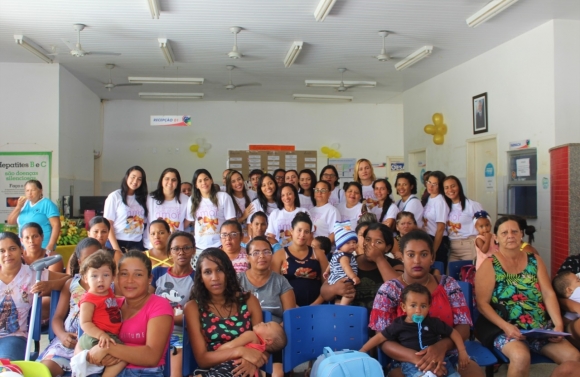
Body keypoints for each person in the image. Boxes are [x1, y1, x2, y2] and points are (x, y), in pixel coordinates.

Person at [475, 216, 580, 377]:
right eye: (504, 233)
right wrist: (506, 327)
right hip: (506, 329)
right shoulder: (489, 265)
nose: (510, 235)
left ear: (521, 234)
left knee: (574, 358)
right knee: (521, 357)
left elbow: (548, 293)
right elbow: (482, 304)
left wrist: (558, 325)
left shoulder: (534, 260)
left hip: (539, 329)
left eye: (514, 231)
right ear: (495, 238)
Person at [370, 229, 483, 377]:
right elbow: (383, 340)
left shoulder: (448, 285)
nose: (417, 261)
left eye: (423, 254)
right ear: (402, 257)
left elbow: (463, 327)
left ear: (432, 257)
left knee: (474, 372)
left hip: (448, 353)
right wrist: (418, 358)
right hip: (405, 359)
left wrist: (441, 347)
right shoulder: (389, 290)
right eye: (411, 255)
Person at [86, 251, 174, 377]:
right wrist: (89, 357)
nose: (130, 280)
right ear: (116, 277)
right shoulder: (110, 304)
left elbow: (151, 357)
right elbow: (87, 337)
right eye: (124, 274)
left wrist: (108, 348)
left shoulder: (159, 305)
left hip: (144, 373)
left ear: (149, 278)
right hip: (104, 370)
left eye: (138, 274)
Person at [183, 248, 267, 377]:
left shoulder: (249, 301)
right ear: (200, 278)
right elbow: (203, 359)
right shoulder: (193, 308)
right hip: (212, 371)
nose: (215, 278)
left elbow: (263, 344)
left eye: (220, 270)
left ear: (228, 272)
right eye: (207, 272)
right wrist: (241, 351)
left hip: (246, 369)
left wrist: (251, 362)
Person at [361, 283, 469, 377]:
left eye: (423, 306)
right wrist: (363, 350)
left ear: (429, 306)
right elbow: (380, 337)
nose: (418, 311)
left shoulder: (434, 323)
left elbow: (453, 333)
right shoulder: (399, 325)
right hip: (411, 363)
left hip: (438, 360)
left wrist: (462, 351)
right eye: (413, 305)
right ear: (404, 307)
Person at [39, 237, 103, 377]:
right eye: (87, 259)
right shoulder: (71, 283)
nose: (93, 263)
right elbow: (57, 317)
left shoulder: (110, 286)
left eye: (97, 258)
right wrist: (62, 336)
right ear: (80, 262)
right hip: (67, 341)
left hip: (94, 343)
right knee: (45, 369)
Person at [0, 232, 66, 360]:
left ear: (21, 250)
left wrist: (50, 285)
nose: (7, 254)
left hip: (14, 337)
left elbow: (71, 279)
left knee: (5, 368)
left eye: (12, 249)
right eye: (1, 251)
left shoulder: (33, 274)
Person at [238, 236, 296, 377]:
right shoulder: (237, 281)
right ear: (248, 257)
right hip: (243, 338)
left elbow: (289, 317)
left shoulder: (281, 282)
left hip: (272, 341)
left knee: (277, 372)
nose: (262, 256)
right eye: (256, 252)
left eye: (266, 252)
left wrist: (266, 343)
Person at [321, 223, 400, 315]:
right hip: (350, 321)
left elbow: (398, 290)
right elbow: (324, 293)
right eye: (368, 240)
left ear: (387, 247)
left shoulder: (395, 265)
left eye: (378, 242)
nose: (372, 245)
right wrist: (334, 289)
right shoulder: (349, 261)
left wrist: (379, 259)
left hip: (383, 324)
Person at [152, 231, 196, 377]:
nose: (181, 252)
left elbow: (193, 316)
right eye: (176, 248)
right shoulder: (157, 273)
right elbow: (146, 303)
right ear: (170, 252)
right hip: (153, 328)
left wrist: (163, 318)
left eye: (186, 248)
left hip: (179, 330)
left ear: (193, 250)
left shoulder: (197, 278)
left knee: (176, 342)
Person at [77, 250, 125, 377]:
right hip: (95, 337)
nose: (100, 280)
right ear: (85, 278)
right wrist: (101, 335)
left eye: (105, 275)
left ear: (113, 277)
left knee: (120, 356)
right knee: (124, 356)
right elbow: (85, 323)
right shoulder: (89, 299)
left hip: (107, 336)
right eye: (94, 276)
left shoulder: (108, 292)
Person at [271, 212, 328, 306]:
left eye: (306, 232)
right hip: (289, 307)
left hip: (317, 307)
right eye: (299, 230)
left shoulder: (318, 254)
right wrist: (292, 305)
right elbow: (275, 286)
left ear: (310, 234)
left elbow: (327, 284)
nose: (302, 235)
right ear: (292, 231)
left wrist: (315, 305)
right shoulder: (280, 255)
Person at [21, 222, 64, 324]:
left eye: (35, 236)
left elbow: (49, 286)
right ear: (21, 240)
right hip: (20, 293)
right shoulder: (17, 258)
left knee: (44, 301)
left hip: (43, 295)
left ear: (42, 237)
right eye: (27, 238)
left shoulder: (53, 258)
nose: (31, 241)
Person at [186, 169, 236, 258]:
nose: (204, 183)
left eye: (206, 179)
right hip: (199, 246)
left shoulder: (223, 197)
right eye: (200, 181)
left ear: (211, 180)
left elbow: (231, 222)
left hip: (220, 245)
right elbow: (190, 221)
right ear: (196, 185)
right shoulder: (192, 200)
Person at [103, 166, 148, 252]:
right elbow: (108, 224)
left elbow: (145, 222)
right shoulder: (115, 196)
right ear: (127, 177)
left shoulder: (143, 199)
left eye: (139, 179)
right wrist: (116, 248)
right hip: (117, 242)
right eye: (133, 177)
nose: (135, 181)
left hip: (137, 243)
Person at [7, 179, 60, 251]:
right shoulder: (24, 204)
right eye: (27, 190)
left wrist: (50, 245)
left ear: (40, 191)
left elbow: (56, 225)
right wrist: (18, 207)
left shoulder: (47, 204)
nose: (30, 193)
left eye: (33, 190)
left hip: (43, 246)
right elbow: (10, 222)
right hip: (24, 248)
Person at [144, 168, 189, 249]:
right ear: (161, 181)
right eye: (167, 179)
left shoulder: (185, 199)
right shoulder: (151, 198)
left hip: (175, 245)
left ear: (178, 183)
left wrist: (178, 228)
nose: (170, 182)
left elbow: (188, 219)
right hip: (152, 245)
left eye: (174, 180)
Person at [443, 175, 483, 263]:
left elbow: (484, 226)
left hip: (468, 245)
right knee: (451, 275)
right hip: (452, 247)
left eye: (453, 186)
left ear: (459, 187)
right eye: (446, 187)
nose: (450, 190)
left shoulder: (472, 205)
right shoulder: (445, 206)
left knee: (469, 275)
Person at [324, 221, 359, 305]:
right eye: (348, 243)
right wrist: (353, 277)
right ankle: (343, 307)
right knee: (350, 293)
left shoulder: (336, 254)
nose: (352, 245)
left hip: (335, 279)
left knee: (339, 297)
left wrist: (326, 271)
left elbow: (330, 264)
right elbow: (346, 267)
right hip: (343, 278)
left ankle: (339, 303)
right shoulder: (344, 257)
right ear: (340, 245)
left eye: (354, 242)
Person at [266, 183, 310, 247]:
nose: (286, 197)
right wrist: (279, 249)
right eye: (283, 195)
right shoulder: (275, 213)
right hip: (281, 251)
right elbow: (270, 236)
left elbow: (309, 235)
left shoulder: (304, 211)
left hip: (300, 251)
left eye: (289, 194)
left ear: (295, 195)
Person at [422, 171, 450, 268]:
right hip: (428, 238)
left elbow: (441, 228)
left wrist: (433, 250)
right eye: (429, 182)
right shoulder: (429, 197)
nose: (430, 186)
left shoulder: (440, 201)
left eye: (434, 184)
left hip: (438, 241)